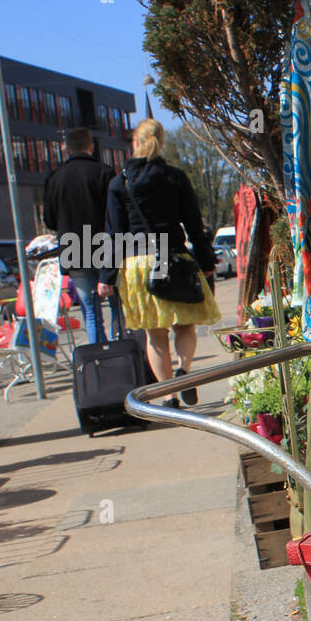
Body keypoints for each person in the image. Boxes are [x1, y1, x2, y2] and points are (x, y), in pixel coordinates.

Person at [104, 119, 220, 409]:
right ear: (162, 142)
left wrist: (107, 275)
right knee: (186, 325)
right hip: (174, 259)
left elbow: (114, 235)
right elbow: (194, 224)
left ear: (135, 144)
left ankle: (169, 396)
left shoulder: (119, 183)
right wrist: (206, 262)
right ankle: (184, 372)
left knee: (155, 334)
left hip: (138, 266)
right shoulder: (175, 177)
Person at [43, 127, 120, 343]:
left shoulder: (54, 178)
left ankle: (100, 361)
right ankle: (123, 354)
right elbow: (115, 213)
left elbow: (49, 220)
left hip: (74, 252)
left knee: (90, 311)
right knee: (117, 306)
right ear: (91, 147)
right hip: (105, 249)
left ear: (66, 149)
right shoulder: (105, 173)